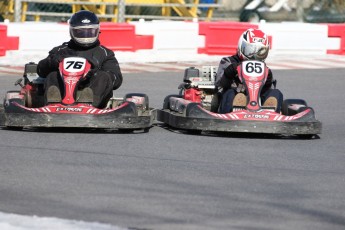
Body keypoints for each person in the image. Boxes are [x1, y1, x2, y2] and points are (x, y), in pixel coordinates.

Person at [37, 10, 123, 109]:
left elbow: (116, 79)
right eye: (81, 32)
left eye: (90, 31)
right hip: (63, 92)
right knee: (52, 75)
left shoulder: (105, 53)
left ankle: (87, 104)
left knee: (103, 76)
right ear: (72, 31)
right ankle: (54, 104)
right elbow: (40, 70)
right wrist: (53, 62)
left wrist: (92, 72)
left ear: (97, 30)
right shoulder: (61, 50)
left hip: (92, 94)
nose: (85, 36)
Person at [214, 28, 283, 113]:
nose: (254, 56)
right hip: (231, 99)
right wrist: (229, 72)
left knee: (276, 93)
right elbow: (219, 85)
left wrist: (268, 80)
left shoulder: (262, 67)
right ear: (241, 46)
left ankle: (270, 114)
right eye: (251, 50)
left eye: (260, 52)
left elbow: (267, 90)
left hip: (257, 101)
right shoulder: (228, 62)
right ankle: (234, 111)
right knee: (231, 93)